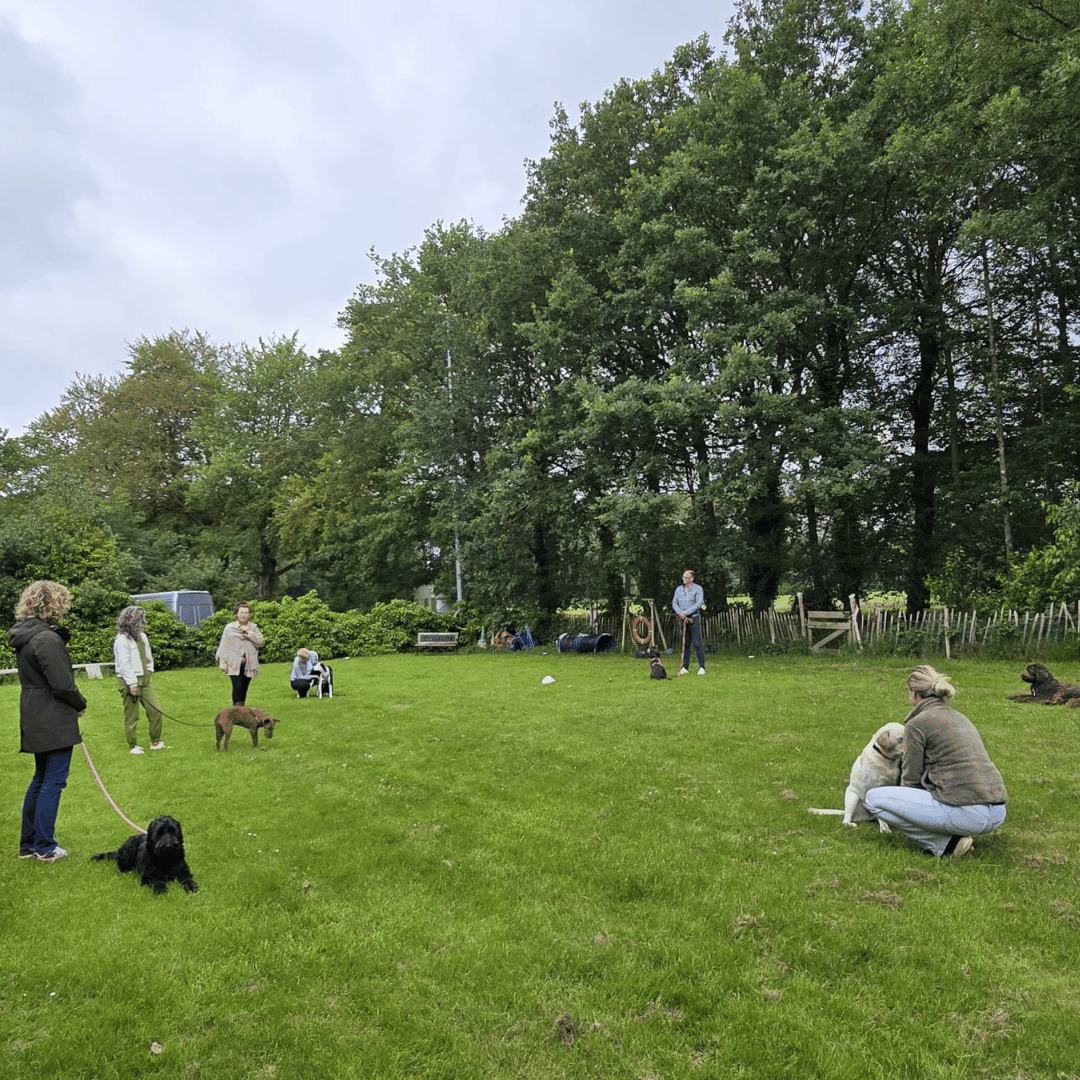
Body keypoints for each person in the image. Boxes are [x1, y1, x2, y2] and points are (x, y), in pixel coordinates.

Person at [864, 665, 1007, 858]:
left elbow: (911, 779)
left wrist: (906, 814)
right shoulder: (960, 717)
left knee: (873, 799)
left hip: (969, 814)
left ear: (914, 694)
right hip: (997, 812)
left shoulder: (917, 723)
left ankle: (945, 845)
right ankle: (955, 833)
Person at [8, 580, 87, 862]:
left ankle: (28, 845)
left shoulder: (27, 635)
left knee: (41, 778)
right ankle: (44, 847)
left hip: (35, 712)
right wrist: (79, 704)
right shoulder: (46, 638)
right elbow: (62, 684)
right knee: (52, 781)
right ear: (52, 604)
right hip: (52, 715)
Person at [113, 605, 166, 754]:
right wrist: (132, 683)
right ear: (130, 622)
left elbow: (148, 655)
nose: (142, 624)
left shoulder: (142, 637)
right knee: (132, 715)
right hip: (128, 680)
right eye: (139, 621)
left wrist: (150, 669)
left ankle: (155, 741)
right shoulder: (121, 640)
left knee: (155, 710)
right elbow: (124, 664)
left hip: (145, 679)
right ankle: (133, 745)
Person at [215, 601, 263, 706]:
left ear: (249, 615)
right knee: (237, 686)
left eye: (246, 613)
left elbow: (259, 641)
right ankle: (237, 709)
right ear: (237, 614)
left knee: (244, 687)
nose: (243, 615)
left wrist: (249, 633)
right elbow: (224, 646)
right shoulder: (229, 628)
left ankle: (241, 709)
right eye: (241, 613)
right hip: (233, 664)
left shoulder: (253, 628)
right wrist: (222, 662)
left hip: (249, 663)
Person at [672, 569, 706, 675]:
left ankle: (702, 667)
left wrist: (686, 612)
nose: (684, 579)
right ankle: (685, 667)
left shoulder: (698, 589)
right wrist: (680, 613)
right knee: (685, 644)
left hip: (693, 618)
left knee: (697, 643)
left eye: (686, 578)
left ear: (692, 578)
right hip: (682, 619)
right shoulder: (678, 589)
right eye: (683, 577)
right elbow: (674, 603)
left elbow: (698, 603)